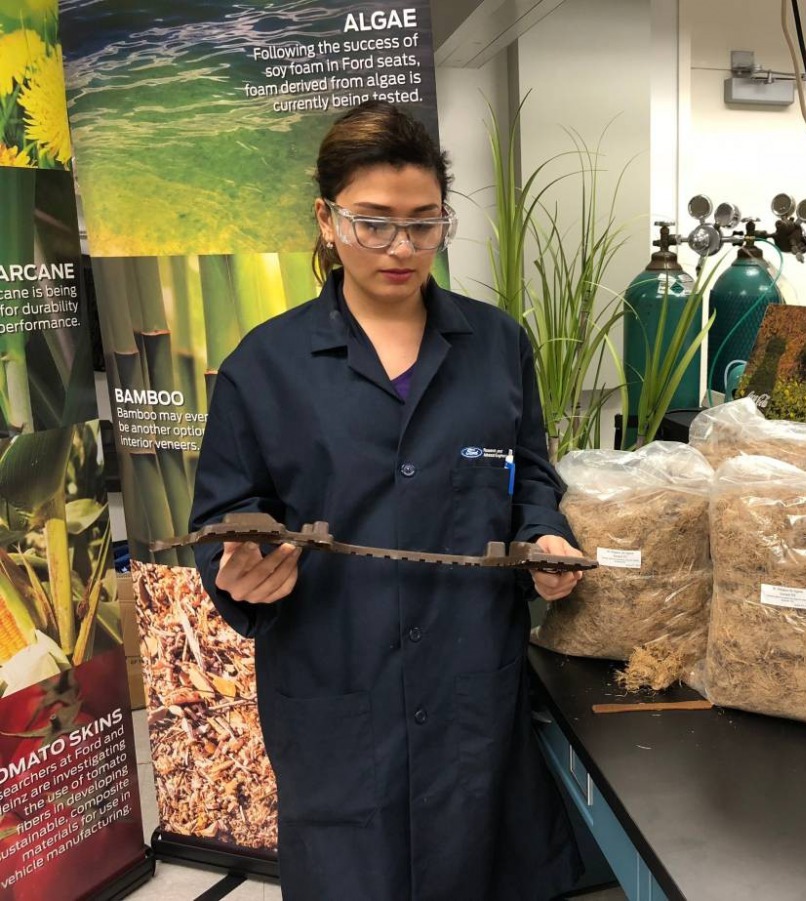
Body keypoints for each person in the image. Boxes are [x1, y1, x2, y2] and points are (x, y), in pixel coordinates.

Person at [190, 100, 585, 900]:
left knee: (481, 866)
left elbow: (531, 476)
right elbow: (221, 520)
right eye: (374, 223)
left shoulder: (498, 345)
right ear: (326, 219)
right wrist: (236, 570)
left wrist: (543, 537)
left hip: (472, 686)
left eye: (424, 223)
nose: (401, 248)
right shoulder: (263, 368)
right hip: (339, 687)